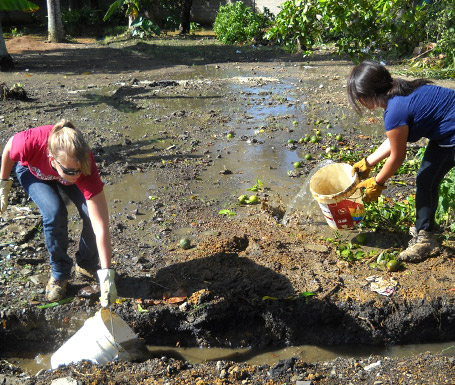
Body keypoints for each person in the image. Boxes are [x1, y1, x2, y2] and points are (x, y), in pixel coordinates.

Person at [348, 60, 455, 262]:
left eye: (359, 98)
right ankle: (426, 233)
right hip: (444, 135)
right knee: (426, 180)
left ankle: (425, 238)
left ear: (367, 96)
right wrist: (367, 163)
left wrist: (377, 183)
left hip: (451, 134)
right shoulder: (399, 92)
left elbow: (397, 157)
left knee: (427, 179)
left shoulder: (395, 110)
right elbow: (395, 138)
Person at [0, 120, 117, 306]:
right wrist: (3, 184)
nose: (77, 175)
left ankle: (86, 264)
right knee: (55, 213)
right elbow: (8, 149)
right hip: (33, 172)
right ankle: (59, 274)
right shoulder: (30, 142)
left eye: (79, 170)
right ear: (52, 159)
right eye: (72, 170)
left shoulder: (83, 167)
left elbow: (101, 226)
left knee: (89, 214)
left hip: (63, 177)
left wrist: (107, 273)